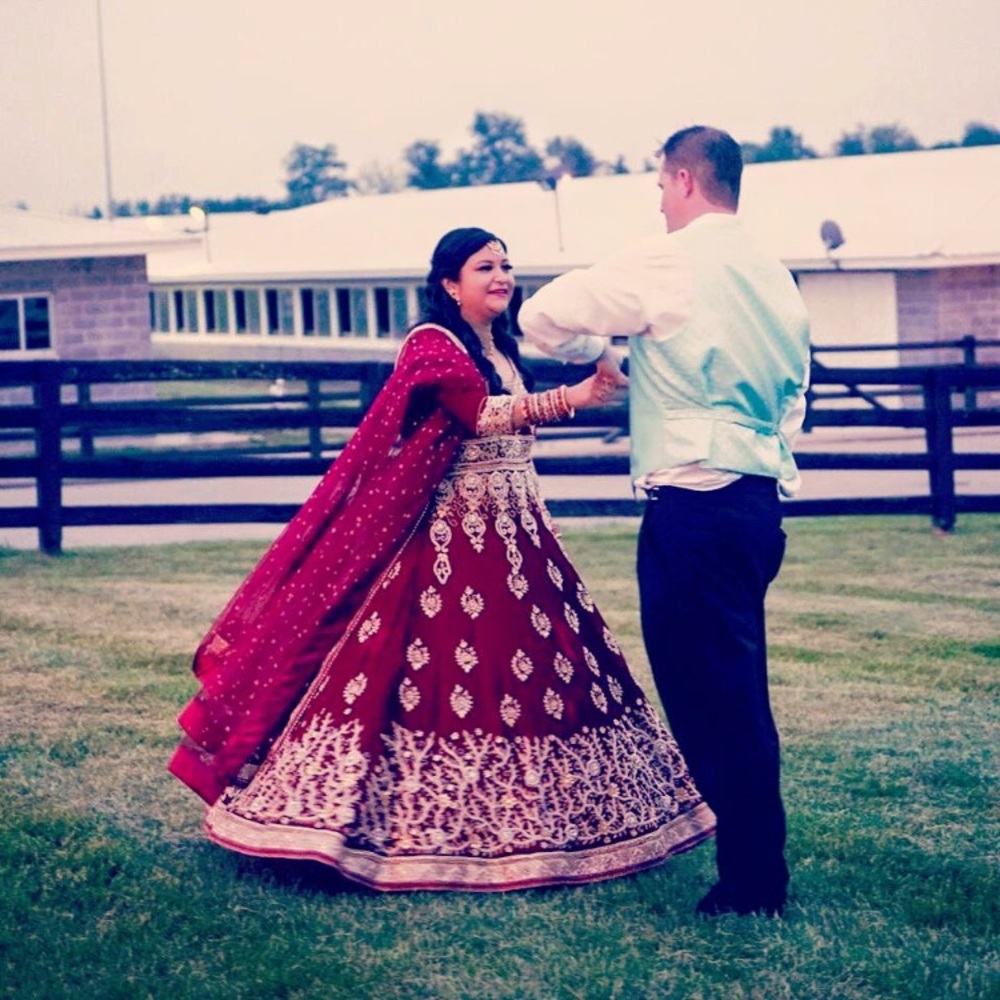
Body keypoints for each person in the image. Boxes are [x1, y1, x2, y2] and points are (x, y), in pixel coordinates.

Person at [168, 227, 715, 892]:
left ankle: (559, 821)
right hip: (454, 542)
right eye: (485, 266)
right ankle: (375, 827)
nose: (502, 276)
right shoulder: (433, 346)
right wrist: (572, 398)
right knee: (433, 675)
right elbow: (476, 415)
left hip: (519, 535)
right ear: (449, 284)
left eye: (508, 265)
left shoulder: (503, 347)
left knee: (548, 671)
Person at [518, 127, 811, 917]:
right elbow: (793, 398)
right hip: (757, 507)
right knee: (738, 688)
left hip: (696, 510)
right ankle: (756, 865)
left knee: (713, 699)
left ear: (684, 179)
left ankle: (754, 882)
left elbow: (542, 314)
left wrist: (601, 353)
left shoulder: (669, 259)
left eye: (658, 183)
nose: (657, 199)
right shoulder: (775, 274)